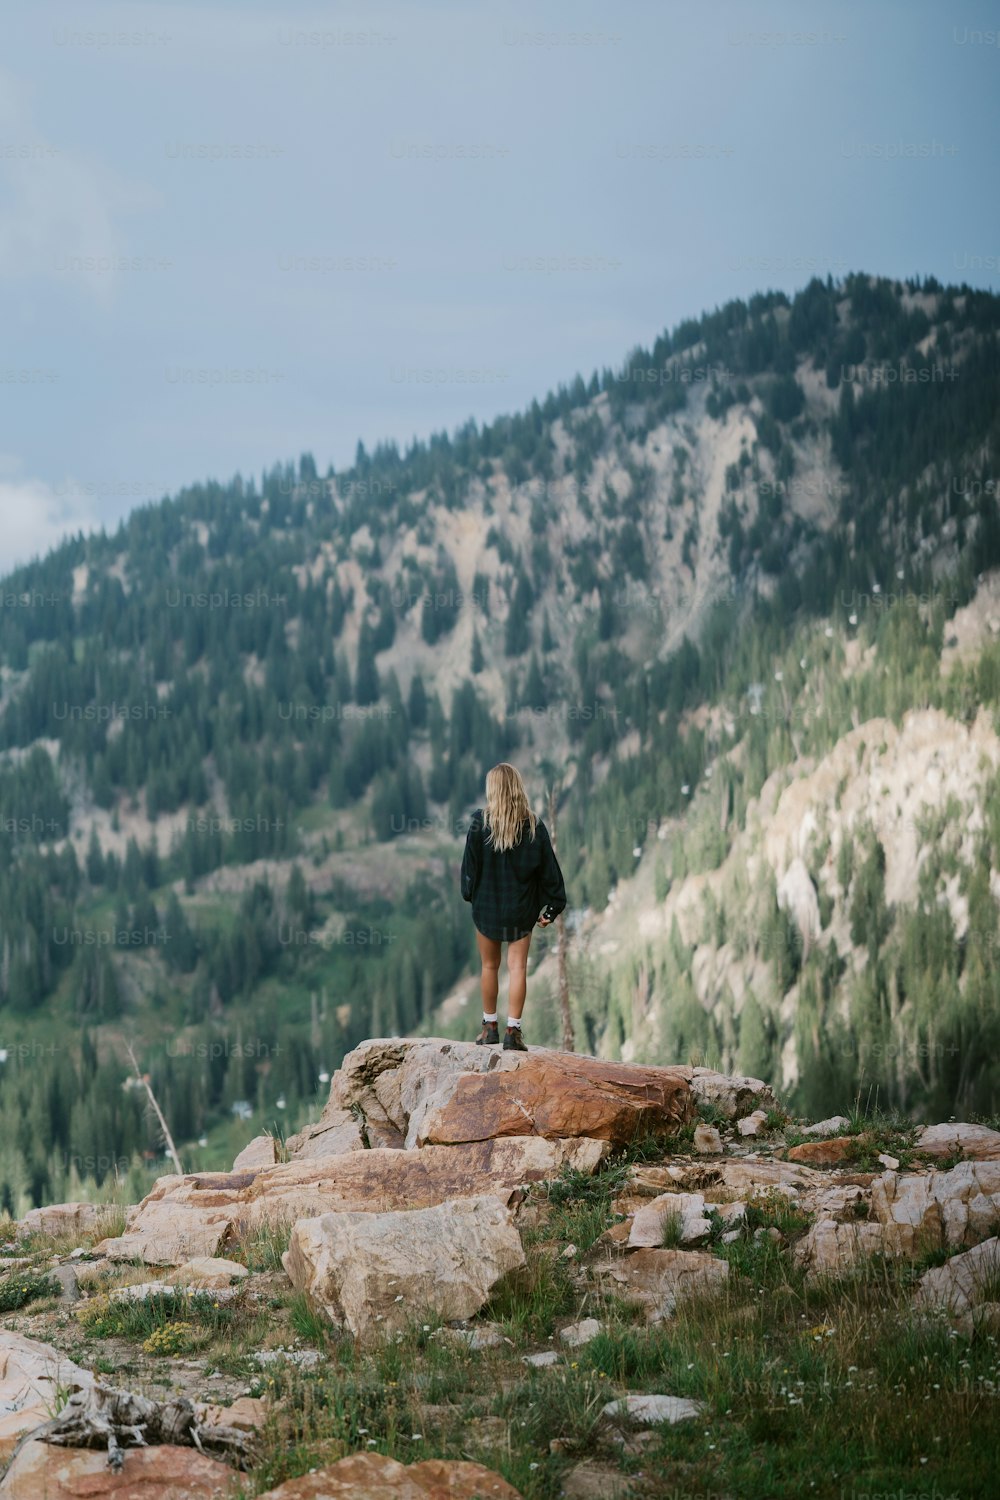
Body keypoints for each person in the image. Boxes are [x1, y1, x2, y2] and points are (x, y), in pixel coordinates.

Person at [460, 762, 567, 1051]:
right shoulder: (534, 826)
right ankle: (513, 1033)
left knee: (488, 966)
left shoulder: (478, 823)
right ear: (517, 787)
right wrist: (551, 910)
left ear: (492, 790)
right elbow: (550, 874)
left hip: (487, 910)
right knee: (518, 967)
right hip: (521, 910)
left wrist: (470, 895)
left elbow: (469, 871)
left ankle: (489, 1028)